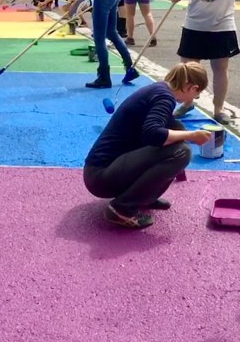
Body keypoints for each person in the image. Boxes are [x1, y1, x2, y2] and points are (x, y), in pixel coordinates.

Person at [83, 62, 212, 229]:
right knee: (182, 152)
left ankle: (144, 197)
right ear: (192, 88)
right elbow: (153, 134)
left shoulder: (159, 90)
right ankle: (122, 208)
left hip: (103, 170)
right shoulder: (165, 98)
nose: (193, 99)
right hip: (100, 177)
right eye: (196, 94)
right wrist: (192, 136)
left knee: (176, 127)